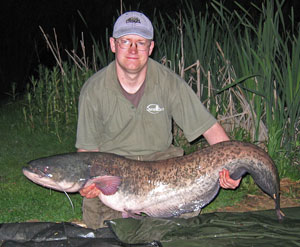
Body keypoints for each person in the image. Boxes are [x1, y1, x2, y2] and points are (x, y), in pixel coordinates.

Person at [75, 11, 241, 229]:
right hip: (115, 172)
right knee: (108, 230)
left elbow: (209, 128)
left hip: (163, 168)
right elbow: (86, 153)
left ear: (150, 48)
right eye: (125, 41)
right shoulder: (93, 90)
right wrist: (84, 183)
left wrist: (234, 166)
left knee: (182, 223)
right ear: (113, 45)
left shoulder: (169, 82)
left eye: (140, 43)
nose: (133, 50)